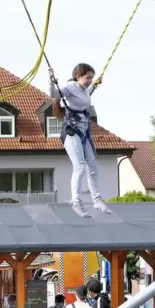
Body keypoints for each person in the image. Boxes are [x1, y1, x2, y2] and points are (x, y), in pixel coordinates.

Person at [48, 64, 112, 217]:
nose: (90, 80)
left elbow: (85, 96)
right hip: (71, 131)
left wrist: (94, 86)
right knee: (80, 166)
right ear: (78, 77)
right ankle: (76, 202)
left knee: (93, 165)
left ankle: (97, 200)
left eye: (92, 78)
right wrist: (51, 81)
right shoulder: (70, 87)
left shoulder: (84, 90)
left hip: (84, 132)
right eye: (88, 78)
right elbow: (54, 94)